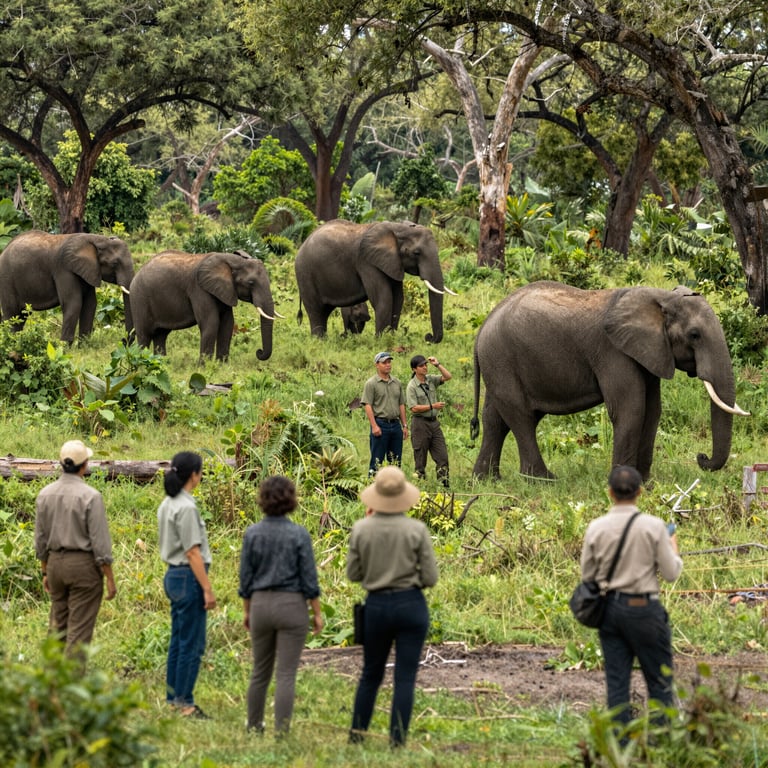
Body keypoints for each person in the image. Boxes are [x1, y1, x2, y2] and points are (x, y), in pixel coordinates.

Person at [580, 465, 683, 731]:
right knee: (660, 683)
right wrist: (674, 548)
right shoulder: (654, 526)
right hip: (645, 610)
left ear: (610, 493)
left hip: (611, 612)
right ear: (639, 492)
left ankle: (620, 747)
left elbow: (587, 576)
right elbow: (671, 574)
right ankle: (661, 744)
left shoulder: (596, 528)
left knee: (617, 686)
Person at [347, 466, 439, 748]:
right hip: (411, 604)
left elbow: (353, 574)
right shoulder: (417, 529)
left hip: (375, 606)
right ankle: (397, 740)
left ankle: (357, 735)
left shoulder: (361, 529)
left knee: (370, 674)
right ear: (403, 496)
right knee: (405, 677)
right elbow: (430, 577)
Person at [238, 475, 323, 735]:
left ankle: (254, 726)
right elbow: (309, 578)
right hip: (292, 605)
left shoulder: (252, 533)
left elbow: (246, 578)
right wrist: (317, 612)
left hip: (261, 604)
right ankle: (282, 731)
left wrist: (247, 611)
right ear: (291, 500)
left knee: (260, 671)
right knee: (286, 673)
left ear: (262, 500)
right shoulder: (299, 534)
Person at [34, 439, 117, 660]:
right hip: (83, 567)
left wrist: (45, 571)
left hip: (54, 565)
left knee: (57, 627)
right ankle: (71, 687)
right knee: (79, 632)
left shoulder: (45, 494)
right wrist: (109, 577)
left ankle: (50, 685)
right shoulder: (90, 496)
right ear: (85, 465)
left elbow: (40, 539)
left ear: (62, 464)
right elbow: (100, 542)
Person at [157, 451, 216, 719]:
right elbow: (193, 552)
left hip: (172, 575)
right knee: (192, 643)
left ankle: (173, 697)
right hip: (188, 576)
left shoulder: (167, 504)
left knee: (178, 640)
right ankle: (185, 703)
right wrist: (206, 587)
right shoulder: (187, 507)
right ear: (194, 475)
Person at [405, 354, 452, 487]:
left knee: (442, 457)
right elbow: (413, 408)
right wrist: (433, 406)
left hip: (434, 423)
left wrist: (437, 365)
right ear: (414, 369)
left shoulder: (430, 380)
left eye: (425, 364)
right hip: (420, 424)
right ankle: (420, 488)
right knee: (420, 460)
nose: (425, 367)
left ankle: (444, 487)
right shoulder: (412, 386)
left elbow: (448, 376)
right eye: (421, 366)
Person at [361, 351, 409, 476]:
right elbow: (367, 405)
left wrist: (404, 425)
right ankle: (372, 488)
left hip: (395, 424)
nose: (388, 365)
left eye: (389, 362)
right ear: (377, 365)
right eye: (384, 363)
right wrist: (374, 426)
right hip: (381, 424)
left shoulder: (396, 382)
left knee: (396, 461)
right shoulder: (371, 383)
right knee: (377, 461)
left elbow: (401, 404)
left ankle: (394, 490)